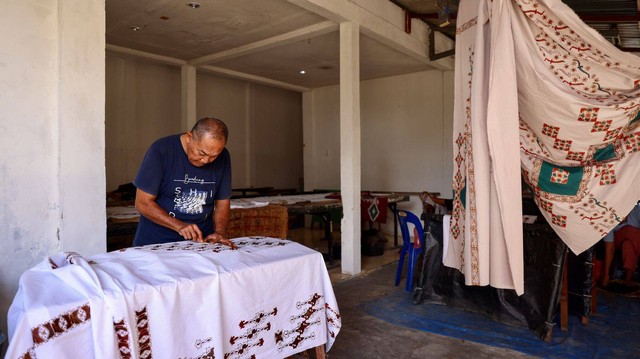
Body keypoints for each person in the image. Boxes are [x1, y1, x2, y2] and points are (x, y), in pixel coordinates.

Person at [132, 117, 236, 249]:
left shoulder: (224, 157)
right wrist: (179, 225)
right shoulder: (161, 150)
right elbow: (142, 203)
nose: (206, 160)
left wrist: (219, 232)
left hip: (201, 241)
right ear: (189, 137)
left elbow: (222, 202)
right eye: (201, 153)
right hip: (157, 241)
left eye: (214, 156)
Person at [602, 201, 640, 286]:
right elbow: (610, 247)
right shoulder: (607, 218)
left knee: (628, 245)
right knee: (629, 230)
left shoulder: (636, 210)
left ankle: (628, 281)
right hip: (617, 241)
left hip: (633, 242)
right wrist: (606, 275)